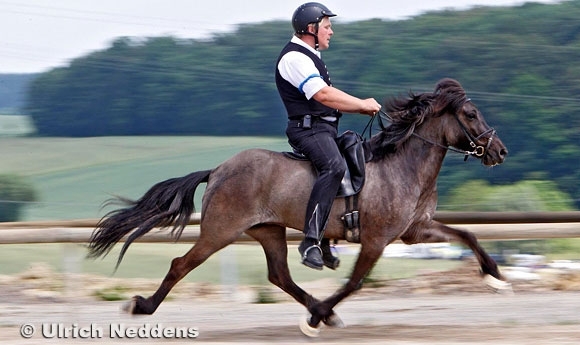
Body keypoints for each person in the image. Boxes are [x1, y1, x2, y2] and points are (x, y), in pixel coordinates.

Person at [275, 2, 381, 270]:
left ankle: (325, 241)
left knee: (352, 152)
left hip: (323, 129)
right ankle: (310, 241)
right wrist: (361, 104)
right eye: (327, 26)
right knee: (333, 166)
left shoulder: (310, 55)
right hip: (308, 130)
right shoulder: (294, 58)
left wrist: (359, 106)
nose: (331, 31)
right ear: (311, 29)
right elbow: (322, 95)